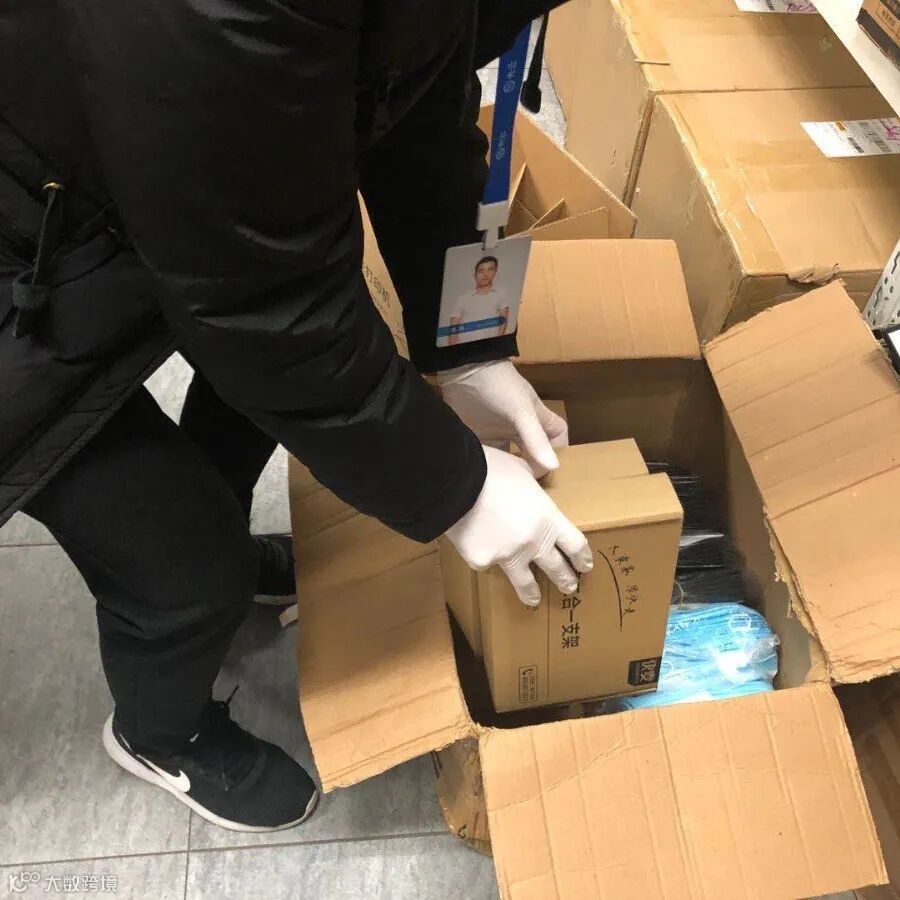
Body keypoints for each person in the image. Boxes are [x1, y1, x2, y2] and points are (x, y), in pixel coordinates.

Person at [0, 1, 586, 834]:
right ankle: (159, 733)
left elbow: (420, 113)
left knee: (267, 396)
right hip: (26, 264)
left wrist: (470, 345)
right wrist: (456, 488)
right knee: (187, 568)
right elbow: (261, 304)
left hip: (131, 184)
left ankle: (223, 552)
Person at [447, 255, 510, 345]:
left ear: (495, 272)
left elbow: (503, 323)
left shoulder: (501, 294)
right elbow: (453, 329)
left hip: (490, 347)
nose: (485, 274)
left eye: (489, 270)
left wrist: (496, 346)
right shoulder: (463, 299)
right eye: (481, 271)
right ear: (475, 275)